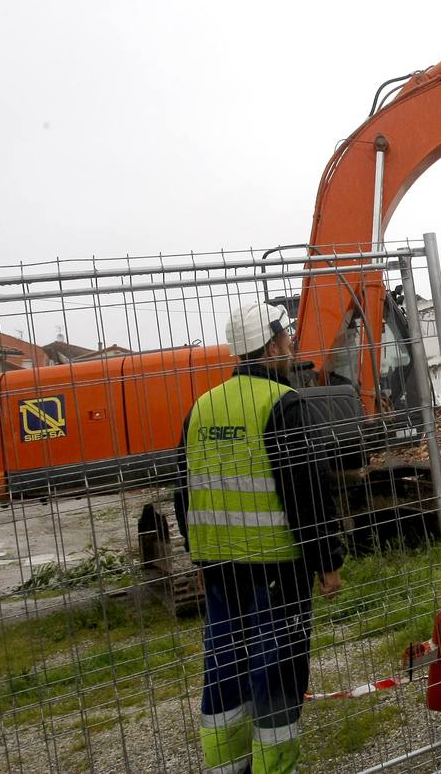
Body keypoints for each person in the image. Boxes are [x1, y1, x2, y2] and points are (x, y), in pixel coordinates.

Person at [175, 302, 345, 774]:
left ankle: (228, 767)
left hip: (218, 568)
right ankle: (274, 768)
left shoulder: (202, 407)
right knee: (278, 671)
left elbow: (182, 488)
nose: (292, 348)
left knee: (224, 668)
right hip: (276, 569)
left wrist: (197, 553)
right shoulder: (283, 404)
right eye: (287, 341)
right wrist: (327, 561)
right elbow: (307, 491)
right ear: (270, 348)